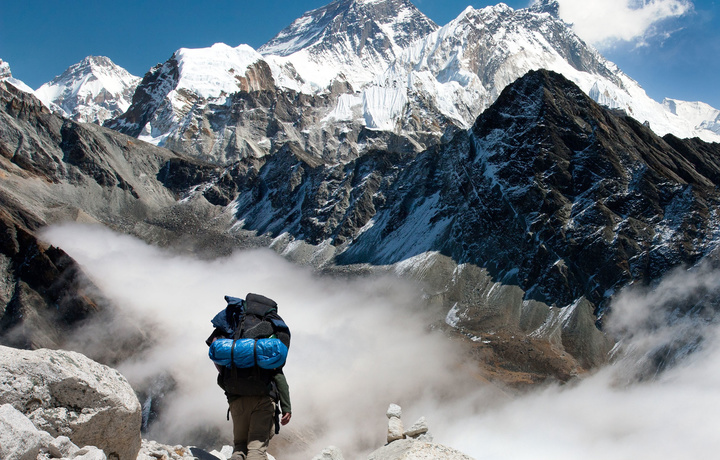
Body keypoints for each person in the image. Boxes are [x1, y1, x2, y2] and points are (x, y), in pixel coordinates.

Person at [206, 294, 292, 460]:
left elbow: (220, 373)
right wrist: (286, 407)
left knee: (239, 447)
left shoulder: (234, 330)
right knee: (256, 449)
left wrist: (230, 390)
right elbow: (279, 376)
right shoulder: (267, 343)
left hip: (237, 400)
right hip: (263, 400)